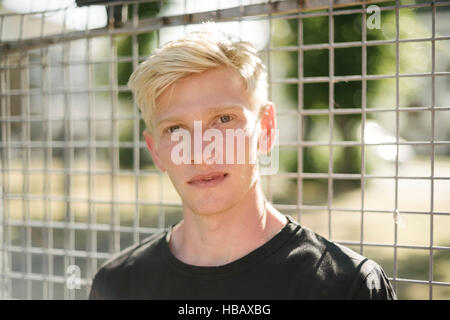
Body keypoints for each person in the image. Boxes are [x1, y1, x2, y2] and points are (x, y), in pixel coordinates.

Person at [88, 23, 397, 300]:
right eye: (176, 129)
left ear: (266, 129)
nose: (201, 151)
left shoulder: (347, 287)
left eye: (224, 119)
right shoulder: (117, 285)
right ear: (156, 151)